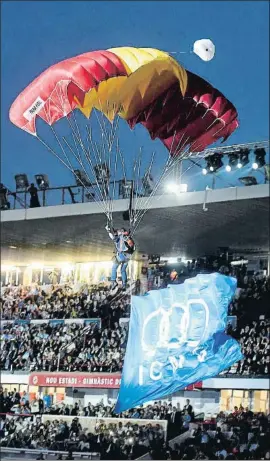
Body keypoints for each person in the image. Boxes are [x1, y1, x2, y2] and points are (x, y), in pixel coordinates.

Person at [106, 224, 135, 290]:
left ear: (122, 232)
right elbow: (131, 245)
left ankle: (113, 281)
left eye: (119, 231)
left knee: (114, 267)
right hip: (127, 258)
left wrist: (108, 231)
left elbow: (112, 237)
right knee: (123, 270)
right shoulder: (126, 237)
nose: (117, 232)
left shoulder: (121, 237)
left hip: (122, 256)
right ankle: (124, 284)